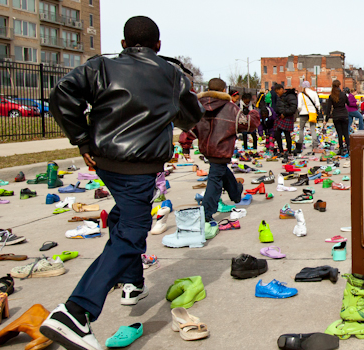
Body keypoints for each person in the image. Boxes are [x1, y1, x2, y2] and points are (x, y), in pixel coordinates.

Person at [42, 16, 203, 350]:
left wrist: (83, 141)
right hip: (139, 167)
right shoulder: (171, 74)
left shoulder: (100, 66)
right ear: (158, 46)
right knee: (132, 231)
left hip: (105, 162)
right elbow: (191, 116)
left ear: (123, 44)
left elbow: (60, 93)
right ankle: (76, 312)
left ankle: (131, 282)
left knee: (122, 217)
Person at [192, 78, 244, 222]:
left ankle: (235, 193)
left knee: (219, 169)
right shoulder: (230, 107)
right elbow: (246, 123)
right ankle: (207, 213)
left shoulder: (198, 106)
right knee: (215, 179)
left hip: (207, 148)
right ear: (223, 90)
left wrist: (185, 146)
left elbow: (190, 127)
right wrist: (255, 115)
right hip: (222, 148)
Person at [323, 80, 351, 155]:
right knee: (346, 133)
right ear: (339, 85)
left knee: (339, 134)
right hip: (344, 115)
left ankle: (341, 149)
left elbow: (328, 109)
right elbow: (348, 103)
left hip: (336, 116)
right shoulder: (343, 94)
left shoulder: (331, 96)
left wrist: (326, 119)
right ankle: (349, 148)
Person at [272, 83, 298, 160]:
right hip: (281, 116)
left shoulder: (290, 96)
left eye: (277, 92)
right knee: (277, 132)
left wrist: (285, 113)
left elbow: (293, 108)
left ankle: (289, 151)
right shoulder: (281, 97)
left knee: (287, 134)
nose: (277, 94)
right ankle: (281, 151)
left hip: (287, 117)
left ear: (281, 89)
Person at [295, 81, 321, 155]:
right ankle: (315, 144)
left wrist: (300, 111)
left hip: (303, 113)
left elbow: (299, 106)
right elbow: (318, 104)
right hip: (312, 113)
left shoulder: (301, 94)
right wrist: (317, 111)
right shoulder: (314, 93)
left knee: (301, 129)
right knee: (313, 128)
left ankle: (300, 143)